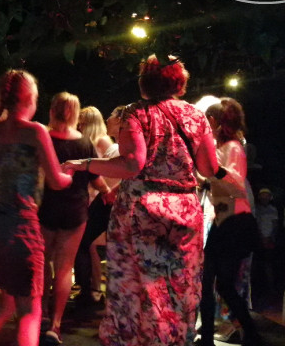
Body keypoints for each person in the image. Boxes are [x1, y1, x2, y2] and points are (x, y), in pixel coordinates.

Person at [63, 55, 218, 346]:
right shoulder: (195, 116)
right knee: (179, 284)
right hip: (185, 209)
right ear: (179, 83)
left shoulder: (136, 113)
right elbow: (208, 168)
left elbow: (132, 164)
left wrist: (84, 164)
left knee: (136, 286)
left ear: (144, 82)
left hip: (143, 209)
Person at [0, 69, 72, 346]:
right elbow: (56, 180)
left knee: (4, 303)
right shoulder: (35, 131)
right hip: (21, 225)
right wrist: (70, 174)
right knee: (30, 309)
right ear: (29, 99)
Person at [40, 93, 110, 344]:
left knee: (43, 264)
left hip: (45, 208)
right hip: (75, 211)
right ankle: (56, 325)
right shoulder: (84, 143)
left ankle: (40, 316)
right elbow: (97, 179)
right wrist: (107, 192)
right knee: (64, 268)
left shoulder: (43, 138)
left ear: (52, 110)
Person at [198, 98, 262, 346]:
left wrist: (212, 172)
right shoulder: (224, 147)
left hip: (235, 224)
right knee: (212, 283)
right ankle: (210, 337)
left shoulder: (232, 147)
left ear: (213, 121)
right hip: (225, 223)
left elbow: (235, 184)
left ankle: (248, 332)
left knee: (218, 284)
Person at [74, 106, 122, 306]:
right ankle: (92, 289)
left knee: (91, 243)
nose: (108, 118)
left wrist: (108, 190)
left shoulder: (108, 143)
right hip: (103, 198)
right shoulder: (111, 144)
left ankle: (94, 290)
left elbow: (123, 173)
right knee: (88, 243)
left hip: (107, 199)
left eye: (112, 116)